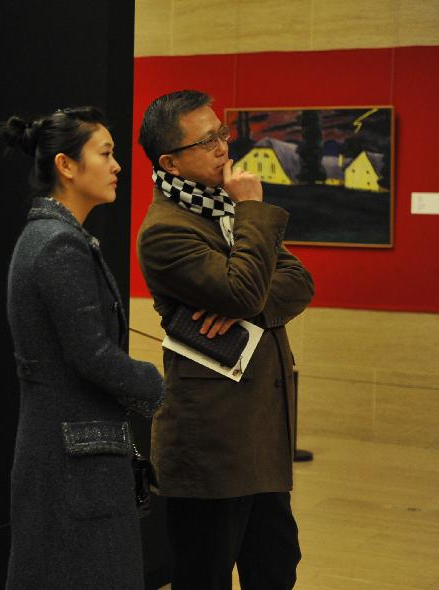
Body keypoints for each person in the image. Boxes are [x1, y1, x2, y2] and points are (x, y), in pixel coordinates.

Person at [136, 90, 315, 590]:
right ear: (170, 161)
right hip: (211, 444)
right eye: (207, 140)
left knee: (276, 567)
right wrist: (253, 212)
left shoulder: (225, 210)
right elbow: (243, 289)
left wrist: (244, 300)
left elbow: (300, 282)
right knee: (204, 575)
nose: (222, 147)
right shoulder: (166, 230)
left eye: (221, 133)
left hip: (262, 435)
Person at [1, 106, 165, 590]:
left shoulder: (52, 237)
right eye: (106, 153)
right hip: (72, 459)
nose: (117, 166)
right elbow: (92, 355)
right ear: (66, 166)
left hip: (63, 452)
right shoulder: (58, 245)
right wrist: (158, 387)